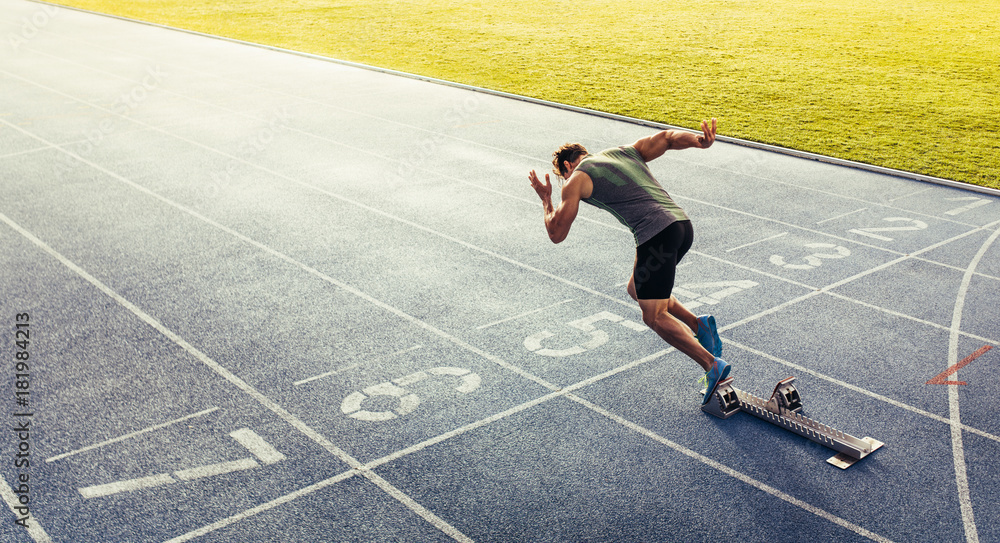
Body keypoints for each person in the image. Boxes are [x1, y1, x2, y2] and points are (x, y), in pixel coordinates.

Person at [528, 119, 730, 404]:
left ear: (566, 168)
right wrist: (700, 141)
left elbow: (556, 233)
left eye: (562, 177)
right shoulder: (623, 151)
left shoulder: (574, 180)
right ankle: (700, 326)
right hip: (682, 226)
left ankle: (712, 366)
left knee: (654, 316)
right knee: (637, 288)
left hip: (656, 234)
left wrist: (546, 199)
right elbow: (668, 137)